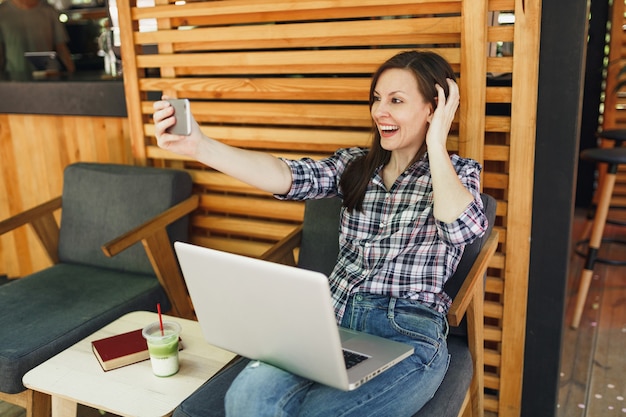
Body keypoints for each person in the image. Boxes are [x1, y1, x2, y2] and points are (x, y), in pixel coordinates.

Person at [153, 50, 488, 417]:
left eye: (396, 100)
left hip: (404, 332)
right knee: (246, 400)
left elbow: (460, 227)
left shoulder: (457, 174)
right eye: (377, 99)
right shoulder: (354, 166)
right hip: (326, 325)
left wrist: (437, 142)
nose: (380, 111)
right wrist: (201, 147)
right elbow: (284, 175)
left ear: (433, 108)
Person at [0, 0, 75, 74]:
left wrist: (72, 78)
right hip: (14, 78)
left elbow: (61, 48)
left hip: (46, 78)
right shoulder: (2, 12)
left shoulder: (49, 10)